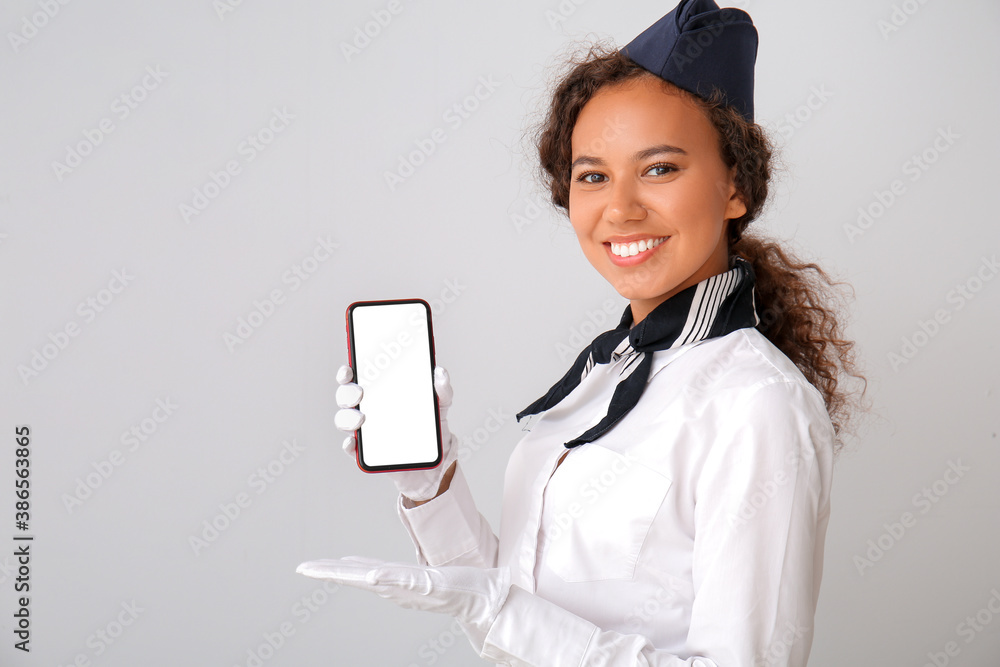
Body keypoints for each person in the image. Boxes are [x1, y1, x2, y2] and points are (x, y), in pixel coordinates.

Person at [298, 1, 866, 664]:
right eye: (592, 175)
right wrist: (430, 482)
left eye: (660, 168)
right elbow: (514, 623)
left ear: (734, 186)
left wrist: (498, 608)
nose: (620, 208)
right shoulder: (600, 380)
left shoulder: (757, 404)